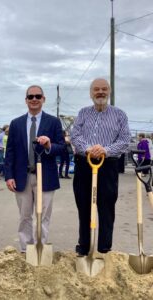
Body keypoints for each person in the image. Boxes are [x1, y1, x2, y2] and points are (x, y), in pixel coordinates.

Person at [71, 78, 130, 256]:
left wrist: (105, 149)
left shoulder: (119, 114)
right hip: (84, 164)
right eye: (96, 89)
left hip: (108, 165)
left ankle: (104, 247)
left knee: (106, 207)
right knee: (83, 205)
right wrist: (89, 148)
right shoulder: (83, 113)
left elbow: (124, 140)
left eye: (104, 89)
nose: (100, 92)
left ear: (109, 91)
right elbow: (75, 135)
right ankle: (84, 245)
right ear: (91, 93)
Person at [5, 85, 65, 253]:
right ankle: (25, 249)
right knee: (24, 216)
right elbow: (10, 152)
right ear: (26, 100)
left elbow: (61, 148)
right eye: (30, 97)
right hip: (22, 177)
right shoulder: (16, 124)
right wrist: (9, 175)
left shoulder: (53, 122)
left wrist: (49, 145)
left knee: (43, 216)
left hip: (45, 177)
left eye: (38, 96)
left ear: (43, 99)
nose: (34, 99)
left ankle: (40, 249)